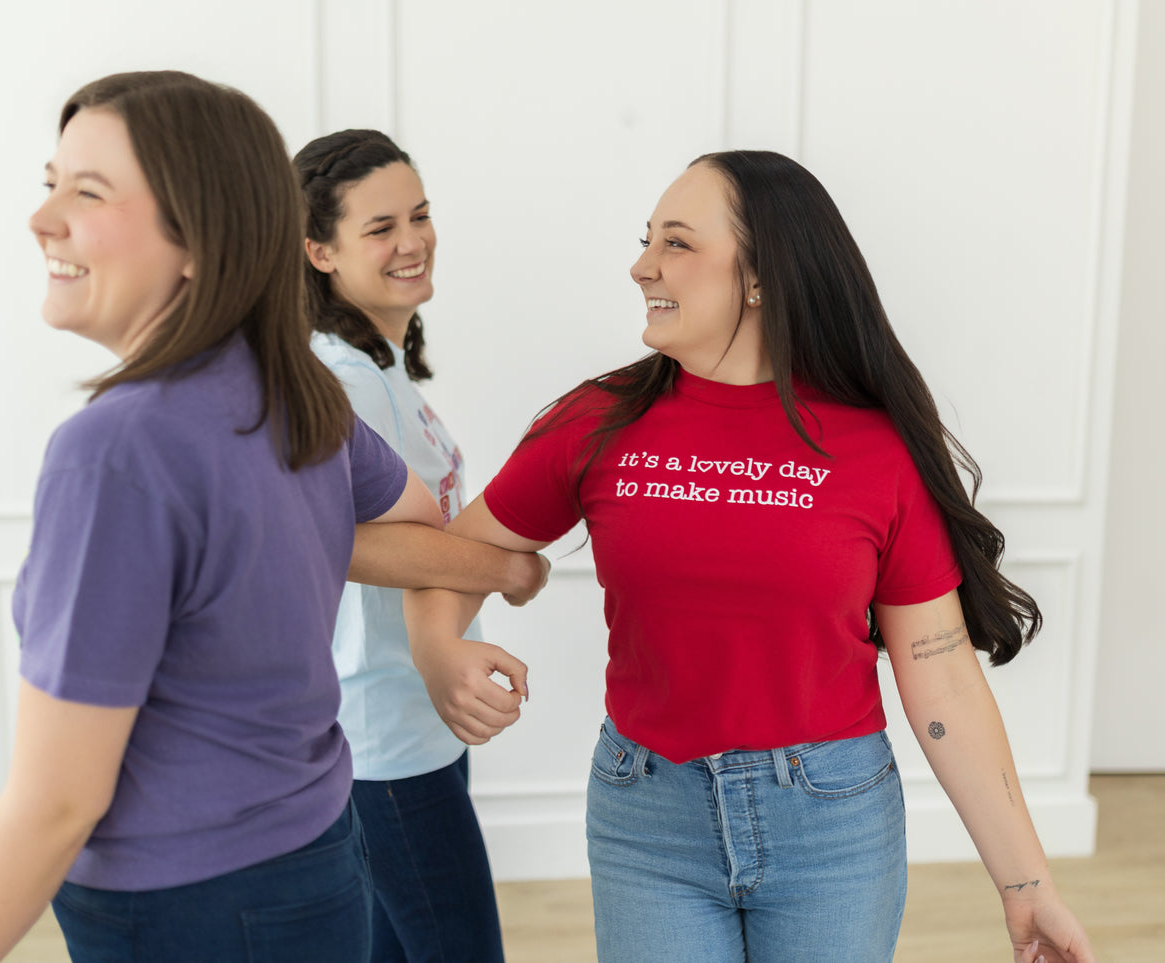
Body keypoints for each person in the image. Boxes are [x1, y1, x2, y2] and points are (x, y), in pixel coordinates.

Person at [0, 72, 543, 963]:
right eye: (49, 183)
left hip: (187, 905)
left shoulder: (117, 449)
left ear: (202, 238)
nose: (42, 218)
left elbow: (55, 804)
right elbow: (418, 519)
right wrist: (508, 568)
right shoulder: (299, 393)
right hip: (308, 863)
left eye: (86, 191)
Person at [404, 151, 1097, 963]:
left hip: (830, 822)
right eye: (645, 240)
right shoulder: (594, 422)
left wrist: (1027, 887)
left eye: (676, 243)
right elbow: (451, 557)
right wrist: (436, 649)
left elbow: (940, 676)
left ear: (760, 275)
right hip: (646, 817)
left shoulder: (875, 450)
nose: (640, 265)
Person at [293, 129, 515, 962]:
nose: (412, 240)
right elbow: (345, 543)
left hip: (412, 715)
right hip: (381, 727)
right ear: (318, 249)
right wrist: (508, 564)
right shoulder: (343, 379)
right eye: (379, 227)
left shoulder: (374, 365)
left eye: (418, 215)